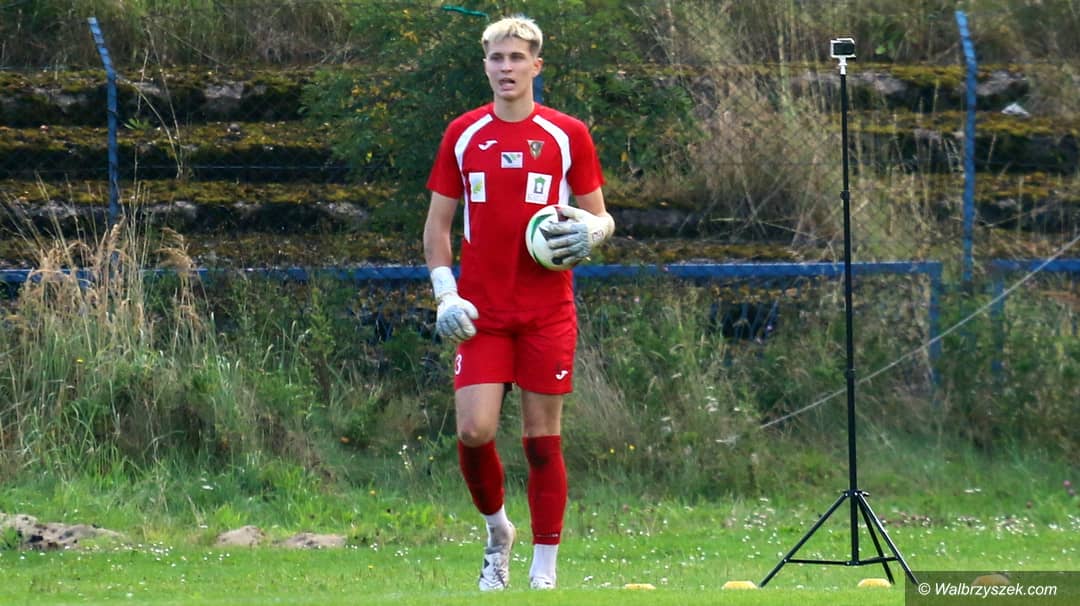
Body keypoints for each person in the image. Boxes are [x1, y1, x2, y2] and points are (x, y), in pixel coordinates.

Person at [422, 15, 615, 592]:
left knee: (541, 439)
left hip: (546, 312)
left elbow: (600, 216)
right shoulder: (462, 133)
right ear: (485, 65)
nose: (506, 67)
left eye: (516, 57)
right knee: (474, 431)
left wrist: (593, 232)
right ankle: (498, 533)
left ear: (536, 65)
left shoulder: (566, 133)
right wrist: (445, 293)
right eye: (496, 58)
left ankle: (544, 570)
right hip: (480, 314)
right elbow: (437, 227)